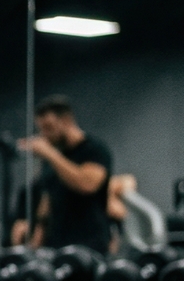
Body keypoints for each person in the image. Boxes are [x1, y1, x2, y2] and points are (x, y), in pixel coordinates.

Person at [14, 96, 112, 253]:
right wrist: (34, 244)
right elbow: (46, 203)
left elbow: (87, 184)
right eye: (41, 129)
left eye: (49, 127)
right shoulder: (53, 157)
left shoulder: (94, 150)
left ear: (66, 120)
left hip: (89, 244)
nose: (44, 135)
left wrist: (49, 154)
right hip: (57, 245)